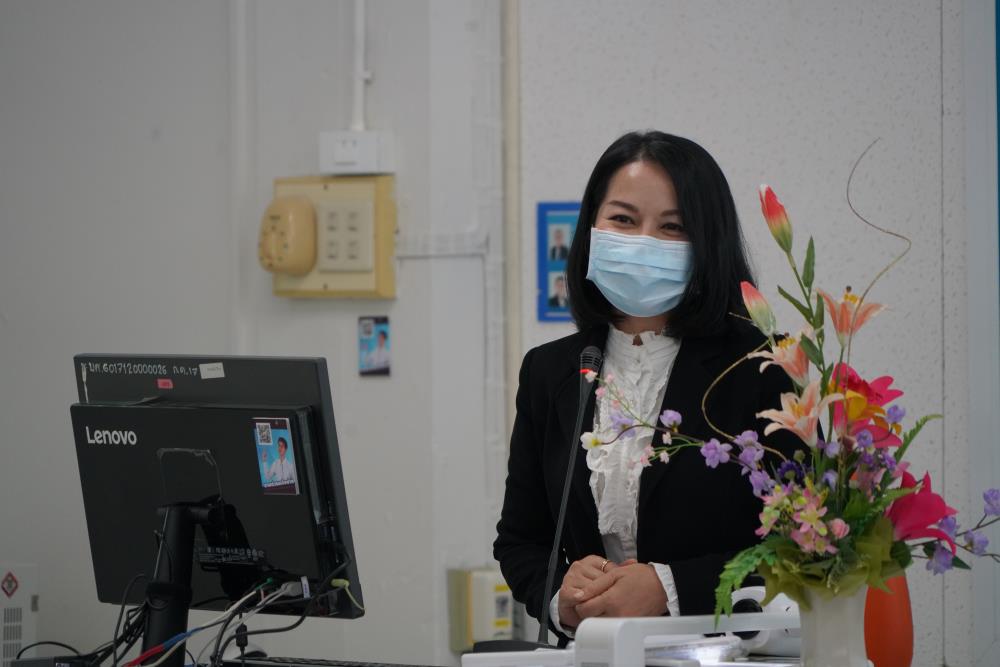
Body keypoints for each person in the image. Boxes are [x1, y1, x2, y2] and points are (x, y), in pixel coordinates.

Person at [493, 131, 798, 641]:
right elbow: (521, 540)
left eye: (673, 226)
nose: (643, 242)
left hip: (731, 652)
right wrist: (559, 596)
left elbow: (804, 541)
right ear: (592, 226)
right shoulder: (549, 371)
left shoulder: (767, 364)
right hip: (598, 652)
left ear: (708, 242)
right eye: (623, 220)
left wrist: (670, 587)